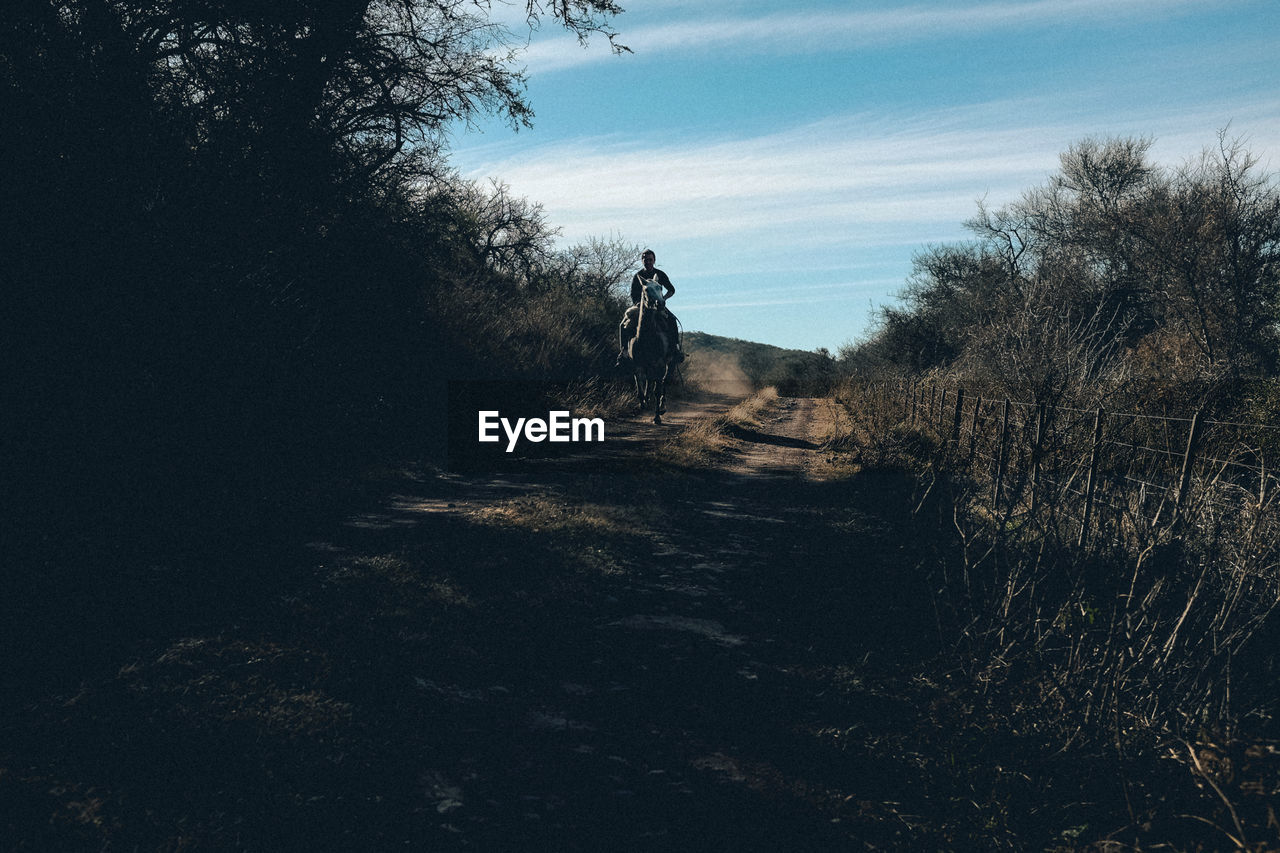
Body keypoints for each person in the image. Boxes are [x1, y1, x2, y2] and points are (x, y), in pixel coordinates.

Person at [616, 249, 685, 367]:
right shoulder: (637, 276)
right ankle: (624, 352)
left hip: (658, 306)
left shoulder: (661, 274)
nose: (647, 262)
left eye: (650, 259)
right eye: (645, 259)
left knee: (672, 320)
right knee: (623, 324)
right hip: (641, 306)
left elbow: (671, 290)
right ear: (642, 260)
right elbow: (633, 294)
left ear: (654, 260)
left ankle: (675, 350)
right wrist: (638, 303)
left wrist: (662, 299)